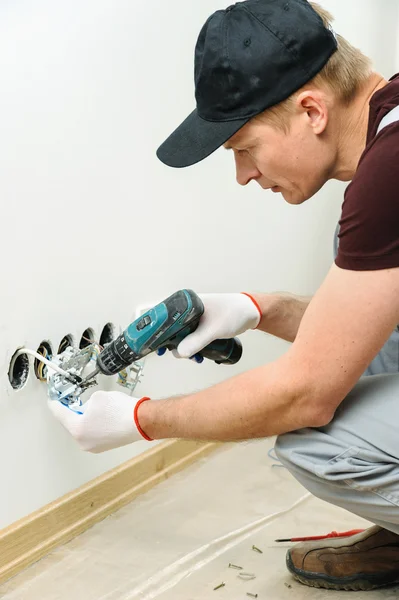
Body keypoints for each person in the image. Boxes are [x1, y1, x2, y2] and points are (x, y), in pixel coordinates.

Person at [49, 0, 399, 591]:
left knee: (320, 445)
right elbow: (367, 330)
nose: (242, 175)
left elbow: (306, 396)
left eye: (243, 147)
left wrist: (139, 420)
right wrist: (259, 309)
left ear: (311, 109)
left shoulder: (390, 170)